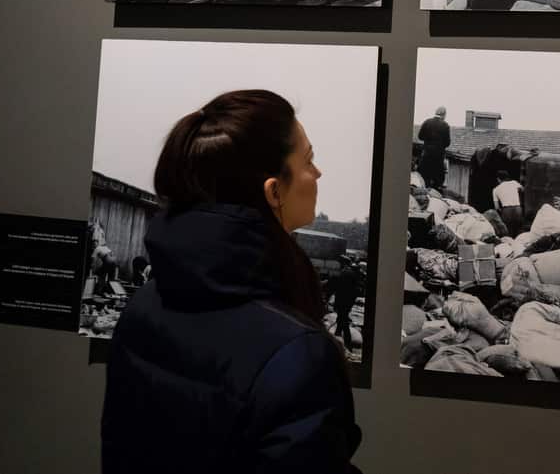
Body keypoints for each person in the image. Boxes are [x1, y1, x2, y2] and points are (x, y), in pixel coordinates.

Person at [101, 90, 362, 474]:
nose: (318, 172)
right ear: (274, 191)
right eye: (308, 159)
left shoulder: (142, 307)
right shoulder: (297, 354)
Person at [328, 257, 362, 351]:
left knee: (343, 323)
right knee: (341, 322)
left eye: (340, 263)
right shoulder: (351, 274)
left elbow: (340, 291)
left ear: (343, 263)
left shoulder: (344, 273)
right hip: (347, 303)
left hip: (343, 303)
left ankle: (345, 343)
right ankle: (338, 340)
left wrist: (336, 304)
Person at [417, 106, 451, 192]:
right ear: (444, 115)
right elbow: (447, 143)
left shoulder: (427, 122)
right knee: (437, 183)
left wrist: (428, 140)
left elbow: (420, 136)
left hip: (426, 156)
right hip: (438, 159)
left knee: (424, 180)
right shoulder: (445, 126)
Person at [492, 170, 525, 236]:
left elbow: (497, 207)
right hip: (518, 209)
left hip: (506, 211)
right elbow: (523, 189)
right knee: (518, 231)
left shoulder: (495, 189)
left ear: (498, 179)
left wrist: (502, 212)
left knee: (508, 232)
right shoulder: (514, 183)